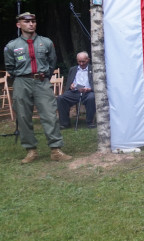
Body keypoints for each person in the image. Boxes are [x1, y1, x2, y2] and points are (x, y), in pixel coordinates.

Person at [3, 12, 72, 163]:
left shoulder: (46, 42)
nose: (31, 24)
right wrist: (22, 76)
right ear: (18, 24)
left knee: (50, 115)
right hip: (22, 82)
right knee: (23, 116)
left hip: (42, 82)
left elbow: (52, 61)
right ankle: (31, 150)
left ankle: (55, 149)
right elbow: (10, 66)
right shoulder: (12, 46)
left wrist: (45, 75)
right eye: (26, 22)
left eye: (33, 21)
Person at [57, 51, 96, 129]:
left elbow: (98, 84)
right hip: (75, 91)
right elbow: (69, 83)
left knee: (91, 98)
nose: (81, 63)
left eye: (83, 61)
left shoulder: (93, 69)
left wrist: (90, 89)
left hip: (88, 92)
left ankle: (90, 122)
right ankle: (64, 123)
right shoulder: (73, 69)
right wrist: (71, 86)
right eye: (79, 61)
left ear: (88, 60)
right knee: (61, 98)